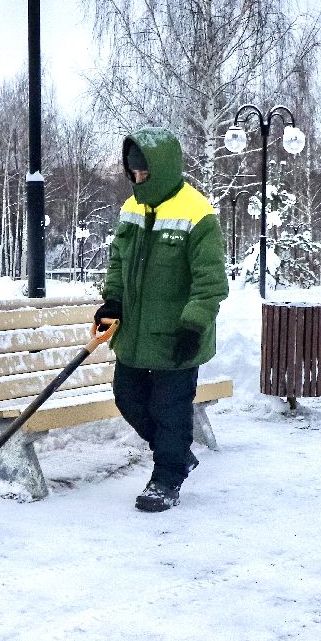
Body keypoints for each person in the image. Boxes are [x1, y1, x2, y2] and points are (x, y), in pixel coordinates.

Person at [94, 127, 228, 512]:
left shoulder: (197, 214)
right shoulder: (132, 209)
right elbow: (118, 262)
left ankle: (167, 477)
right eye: (133, 173)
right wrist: (113, 302)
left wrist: (192, 325)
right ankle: (178, 454)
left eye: (145, 174)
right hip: (134, 335)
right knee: (128, 399)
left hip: (176, 337)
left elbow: (211, 283)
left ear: (164, 169)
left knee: (170, 410)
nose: (138, 180)